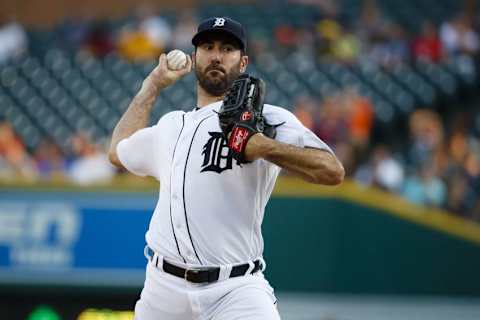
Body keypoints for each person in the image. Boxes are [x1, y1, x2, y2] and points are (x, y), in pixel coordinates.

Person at [108, 17, 344, 320]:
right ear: (194, 59)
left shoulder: (267, 117)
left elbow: (332, 170)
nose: (217, 55)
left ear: (243, 61)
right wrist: (152, 85)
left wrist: (262, 146)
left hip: (236, 291)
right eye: (208, 47)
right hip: (162, 291)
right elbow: (117, 150)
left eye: (227, 48)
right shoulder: (170, 125)